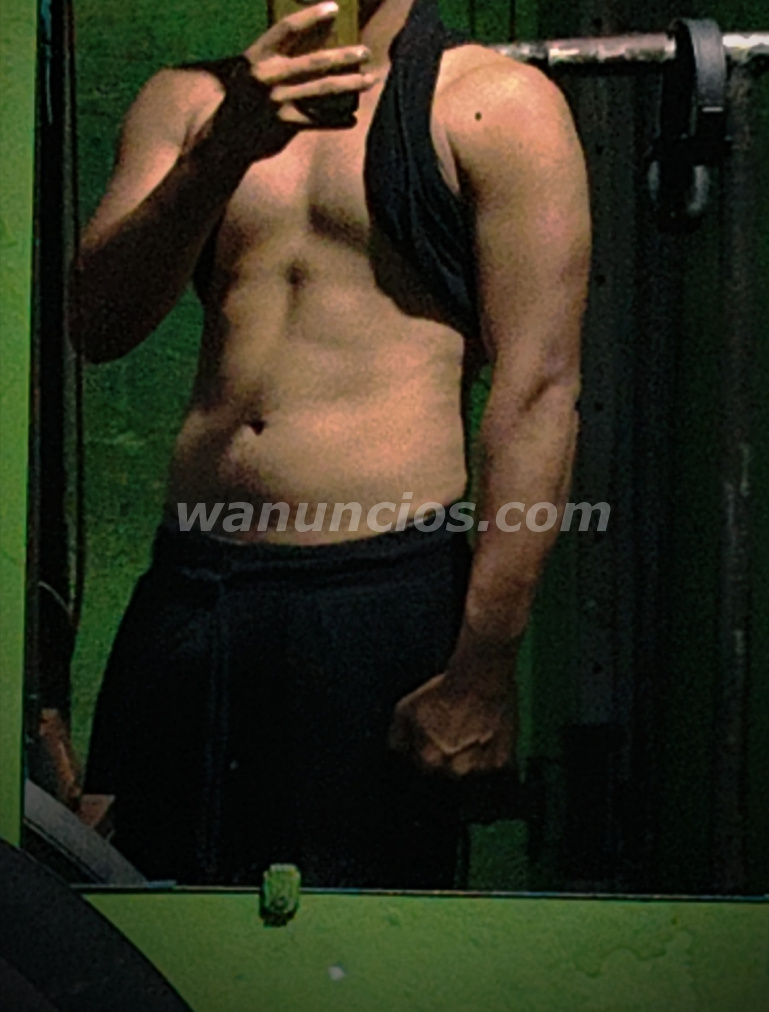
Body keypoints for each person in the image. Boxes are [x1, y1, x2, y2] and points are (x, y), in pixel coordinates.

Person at [74, 0, 591, 887]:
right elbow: (97, 324)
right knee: (144, 907)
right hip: (193, 586)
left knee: (359, 928)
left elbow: (537, 391)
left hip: (374, 595)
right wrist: (222, 151)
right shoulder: (186, 103)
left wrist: (483, 666)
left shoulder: (495, 105)